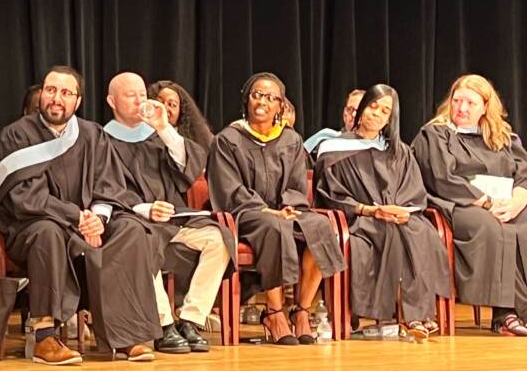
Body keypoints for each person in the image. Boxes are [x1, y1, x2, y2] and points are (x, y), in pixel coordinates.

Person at [0, 65, 164, 365]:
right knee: (47, 232)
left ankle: (126, 335)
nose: (57, 98)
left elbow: (109, 186)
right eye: (51, 90)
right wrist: (77, 216)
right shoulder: (17, 135)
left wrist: (99, 219)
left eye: (66, 93)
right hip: (32, 226)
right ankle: (45, 337)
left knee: (131, 228)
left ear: (77, 101)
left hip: (86, 223)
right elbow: (27, 197)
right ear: (41, 94)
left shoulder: (92, 135)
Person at [207, 72, 344, 344]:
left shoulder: (291, 140)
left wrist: (290, 207)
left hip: (285, 210)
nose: (263, 102)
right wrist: (267, 210)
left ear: (281, 106)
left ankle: (301, 311)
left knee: (320, 226)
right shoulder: (228, 139)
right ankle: (274, 311)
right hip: (246, 213)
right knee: (275, 226)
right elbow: (228, 188)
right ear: (247, 99)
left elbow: (296, 185)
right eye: (257, 94)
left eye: (272, 98)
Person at [104, 73, 234, 353]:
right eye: (130, 95)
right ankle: (163, 325)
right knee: (140, 241)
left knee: (219, 238)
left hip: (172, 220)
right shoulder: (101, 140)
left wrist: (164, 127)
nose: (139, 100)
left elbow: (189, 168)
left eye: (142, 94)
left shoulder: (158, 135)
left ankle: (191, 319)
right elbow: (102, 188)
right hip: (130, 221)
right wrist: (144, 208)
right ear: (112, 101)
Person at [316, 84, 450, 338]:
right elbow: (329, 196)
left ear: (391, 118)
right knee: (381, 236)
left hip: (398, 218)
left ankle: (417, 315)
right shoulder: (333, 149)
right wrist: (370, 210)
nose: (376, 114)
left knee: (422, 233)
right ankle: (402, 316)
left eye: (385, 111)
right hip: (359, 220)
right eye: (373, 106)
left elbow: (414, 191)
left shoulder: (400, 152)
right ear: (362, 108)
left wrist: (403, 210)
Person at [412, 74, 527, 336]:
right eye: (457, 100)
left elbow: (524, 174)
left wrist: (519, 199)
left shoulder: (503, 138)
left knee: (521, 225)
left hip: (506, 202)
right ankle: (504, 314)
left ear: (486, 107)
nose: (461, 109)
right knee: (492, 227)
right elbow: (442, 177)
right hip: (459, 204)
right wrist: (486, 201)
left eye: (470, 103)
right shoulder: (436, 134)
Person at [148, 80, 215, 149]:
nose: (164, 108)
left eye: (172, 104)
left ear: (181, 110)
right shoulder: (145, 138)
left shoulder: (200, 141)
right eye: (159, 103)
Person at [304, 89, 365, 154]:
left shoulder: (373, 145)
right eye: (350, 109)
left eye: (359, 111)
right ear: (344, 113)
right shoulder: (324, 137)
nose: (354, 114)